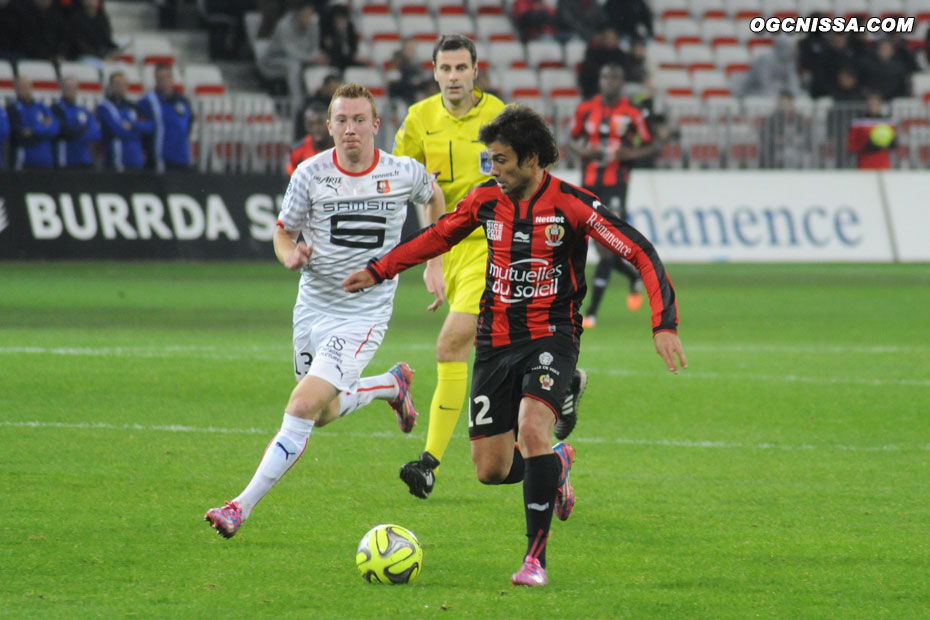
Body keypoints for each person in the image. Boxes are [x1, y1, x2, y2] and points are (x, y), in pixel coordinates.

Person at [343, 105, 686, 586]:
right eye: (490, 160)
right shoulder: (486, 200)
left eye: (501, 160)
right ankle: (556, 463)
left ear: (532, 159)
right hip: (496, 341)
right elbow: (439, 236)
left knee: (532, 428)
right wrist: (381, 269)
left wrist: (663, 322)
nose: (493, 169)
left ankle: (534, 560)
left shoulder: (572, 204)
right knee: (491, 469)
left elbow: (639, 251)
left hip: (553, 336)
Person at [204, 83, 446, 539]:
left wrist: (433, 261)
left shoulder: (401, 172)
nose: (350, 129)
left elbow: (433, 197)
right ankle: (390, 385)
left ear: (376, 125)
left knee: (301, 405)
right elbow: (282, 232)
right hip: (313, 307)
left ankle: (239, 506)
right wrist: (289, 254)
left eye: (359, 120)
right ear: (328, 126)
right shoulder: (310, 174)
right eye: (342, 120)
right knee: (325, 411)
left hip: (364, 312)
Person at [392, 34, 585, 499]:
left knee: (451, 342)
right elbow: (410, 190)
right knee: (495, 458)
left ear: (476, 71)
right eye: (446, 68)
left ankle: (429, 461)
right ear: (434, 71)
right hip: (451, 244)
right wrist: (432, 261)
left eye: (462, 68)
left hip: (496, 245)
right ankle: (557, 426)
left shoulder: (500, 115)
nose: (454, 76)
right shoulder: (419, 121)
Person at [570, 64, 658, 327]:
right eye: (606, 77)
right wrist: (583, 152)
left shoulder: (632, 112)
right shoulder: (585, 109)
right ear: (600, 81)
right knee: (602, 247)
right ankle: (633, 277)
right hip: (588, 185)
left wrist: (630, 155)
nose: (610, 82)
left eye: (615, 78)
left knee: (608, 246)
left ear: (621, 83)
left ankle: (592, 312)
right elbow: (572, 138)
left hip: (617, 184)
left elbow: (652, 145)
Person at [258, 1, 326, 106]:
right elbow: (290, 52)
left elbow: (315, 49)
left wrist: (316, 58)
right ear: (297, 15)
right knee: (293, 66)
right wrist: (312, 58)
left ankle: (318, 101)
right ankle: (297, 103)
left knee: (321, 64)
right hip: (273, 61)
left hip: (302, 60)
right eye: (304, 16)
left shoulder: (313, 25)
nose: (307, 19)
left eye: (309, 15)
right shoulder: (284, 25)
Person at [138, 64, 193, 172]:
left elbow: (188, 125)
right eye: (160, 78)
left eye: (167, 77)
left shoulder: (183, 101)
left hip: (182, 158)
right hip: (160, 160)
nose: (164, 81)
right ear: (156, 81)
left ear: (172, 79)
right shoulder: (148, 102)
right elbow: (143, 128)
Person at [97, 71, 154, 171]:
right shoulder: (105, 107)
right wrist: (138, 131)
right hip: (116, 163)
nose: (120, 87)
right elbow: (116, 130)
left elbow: (150, 127)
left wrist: (133, 125)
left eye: (123, 84)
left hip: (136, 161)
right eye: (116, 84)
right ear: (110, 86)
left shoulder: (134, 107)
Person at [6, 76, 60, 170]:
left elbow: (54, 129)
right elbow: (19, 133)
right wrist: (43, 128)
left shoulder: (41, 107)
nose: (26, 90)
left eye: (28, 87)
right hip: (24, 161)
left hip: (46, 161)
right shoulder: (13, 109)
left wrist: (33, 130)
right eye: (22, 87)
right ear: (16, 89)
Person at [51, 76, 102, 168]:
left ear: (77, 89)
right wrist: (84, 129)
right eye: (67, 87)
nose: (70, 90)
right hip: (66, 160)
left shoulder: (83, 110)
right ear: (61, 89)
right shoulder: (56, 109)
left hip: (85, 159)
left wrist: (78, 132)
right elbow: (65, 131)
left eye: (73, 87)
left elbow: (96, 133)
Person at [847, 91, 896, 170]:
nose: (874, 106)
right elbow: (852, 144)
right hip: (865, 161)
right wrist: (866, 146)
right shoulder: (859, 121)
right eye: (871, 104)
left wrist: (889, 143)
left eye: (876, 104)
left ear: (881, 105)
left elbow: (894, 143)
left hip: (883, 162)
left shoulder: (888, 121)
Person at [286, 103, 332, 175]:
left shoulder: (341, 147)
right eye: (311, 124)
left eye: (320, 123)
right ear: (305, 125)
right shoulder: (297, 152)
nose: (316, 128)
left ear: (329, 123)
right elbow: (292, 181)